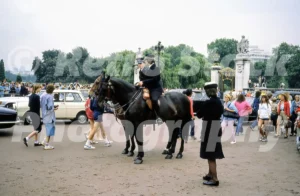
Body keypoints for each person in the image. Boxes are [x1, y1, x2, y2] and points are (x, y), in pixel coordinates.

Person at [196, 82, 224, 186]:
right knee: (210, 153)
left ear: (207, 92)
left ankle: (214, 178)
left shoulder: (208, 103)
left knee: (211, 155)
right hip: (216, 126)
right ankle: (210, 174)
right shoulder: (218, 101)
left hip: (209, 128)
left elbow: (199, 115)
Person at [137, 55, 176, 123]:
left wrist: (143, 82)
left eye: (146, 60)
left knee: (154, 99)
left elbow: (155, 80)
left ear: (149, 61)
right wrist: (140, 84)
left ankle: (158, 116)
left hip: (156, 89)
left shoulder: (156, 68)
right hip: (149, 88)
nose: (145, 62)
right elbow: (147, 79)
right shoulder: (148, 68)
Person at [41, 84, 58, 150]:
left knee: (47, 129)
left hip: (44, 114)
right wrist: (54, 108)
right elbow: (50, 107)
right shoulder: (50, 97)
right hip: (49, 115)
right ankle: (47, 144)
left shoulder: (43, 95)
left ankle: (45, 142)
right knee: (49, 130)